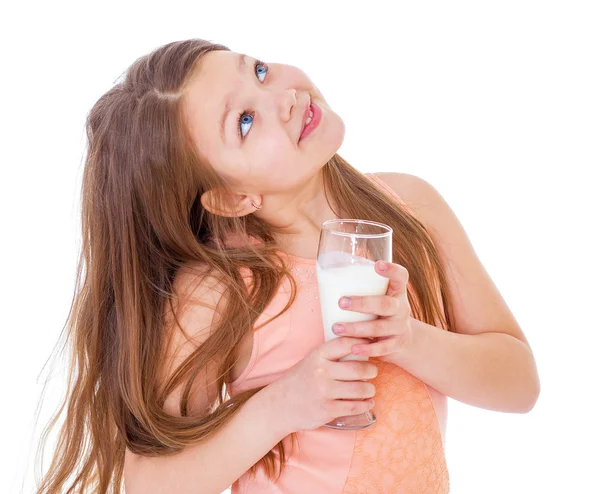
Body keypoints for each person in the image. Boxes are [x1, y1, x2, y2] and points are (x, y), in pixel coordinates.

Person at [35, 38, 540, 494]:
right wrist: (282, 406)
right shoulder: (223, 289)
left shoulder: (411, 208)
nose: (284, 97)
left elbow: (520, 384)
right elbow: (150, 483)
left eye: (257, 71)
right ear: (232, 199)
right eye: (246, 121)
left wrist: (409, 339)